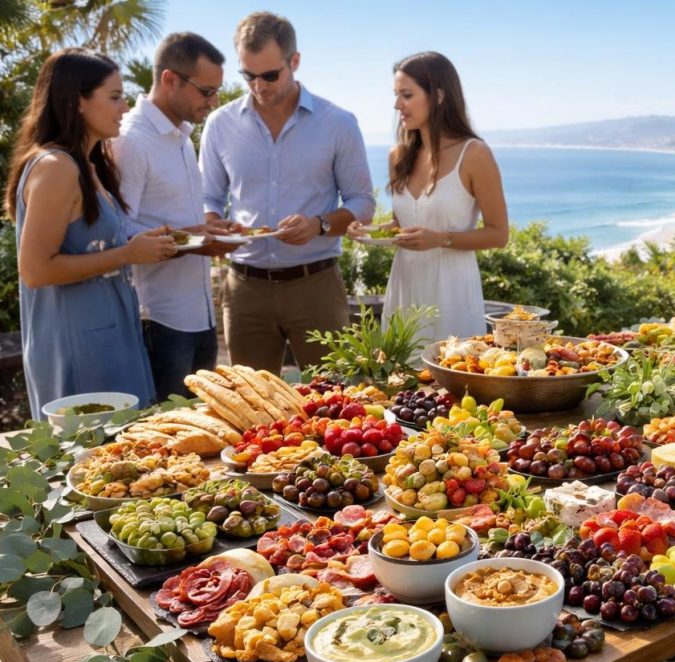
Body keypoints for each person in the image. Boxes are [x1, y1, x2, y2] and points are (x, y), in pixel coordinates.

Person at [200, 11, 375, 373]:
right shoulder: (220, 124)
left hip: (316, 287)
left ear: (294, 62)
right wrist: (215, 225)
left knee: (334, 401)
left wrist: (320, 225)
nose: (258, 86)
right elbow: (208, 198)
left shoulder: (338, 123)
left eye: (269, 75)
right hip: (244, 288)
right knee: (250, 408)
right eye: (248, 75)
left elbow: (363, 203)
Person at [5, 48, 175, 420]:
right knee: (92, 462)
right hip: (78, 346)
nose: (125, 107)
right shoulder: (56, 168)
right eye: (114, 97)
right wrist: (127, 254)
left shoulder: (90, 163)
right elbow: (35, 270)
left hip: (110, 337)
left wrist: (138, 245)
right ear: (76, 101)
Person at [350, 51, 507, 341]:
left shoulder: (474, 154)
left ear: (438, 96)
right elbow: (402, 223)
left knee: (455, 375)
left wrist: (441, 239)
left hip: (452, 293)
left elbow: (499, 234)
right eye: (396, 95)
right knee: (401, 380)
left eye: (407, 95)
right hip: (404, 287)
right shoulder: (398, 156)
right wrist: (369, 231)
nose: (397, 105)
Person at [114, 32, 237, 402]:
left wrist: (208, 230)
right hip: (160, 319)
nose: (214, 101)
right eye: (206, 91)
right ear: (170, 80)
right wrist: (192, 240)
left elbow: (172, 216)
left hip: (200, 315)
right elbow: (118, 230)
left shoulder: (182, 136)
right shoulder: (131, 139)